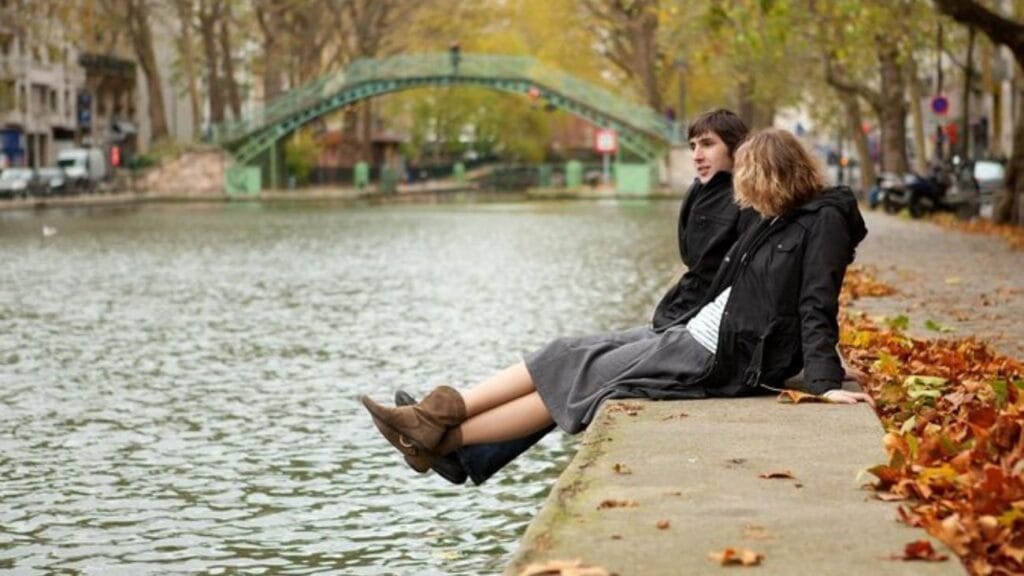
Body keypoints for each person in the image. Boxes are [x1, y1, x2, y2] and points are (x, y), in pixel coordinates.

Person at [362, 128, 872, 478]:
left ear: (774, 174)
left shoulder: (821, 221)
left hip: (718, 356)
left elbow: (815, 303)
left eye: (750, 176)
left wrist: (825, 381)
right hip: (696, 334)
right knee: (567, 354)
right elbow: (718, 276)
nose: (743, 188)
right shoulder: (781, 217)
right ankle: (437, 420)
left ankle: (442, 441)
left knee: (582, 379)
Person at [392, 109, 757, 485]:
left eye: (708, 144)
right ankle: (441, 429)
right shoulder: (702, 193)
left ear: (737, 148)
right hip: (680, 324)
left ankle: (442, 436)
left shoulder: (744, 203)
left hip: (693, 337)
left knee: (575, 370)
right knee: (564, 359)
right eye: (693, 145)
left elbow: (721, 280)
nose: (697, 154)